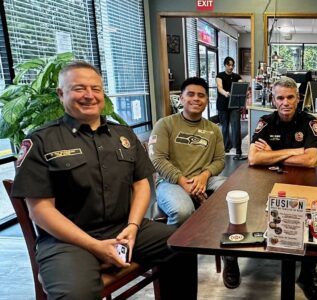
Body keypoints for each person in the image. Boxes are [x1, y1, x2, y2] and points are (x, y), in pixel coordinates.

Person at [11, 60, 191, 299]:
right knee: (76, 294)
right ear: (60, 93)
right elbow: (40, 210)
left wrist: (133, 226)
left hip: (124, 229)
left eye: (95, 89)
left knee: (183, 245)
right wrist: (94, 246)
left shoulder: (124, 135)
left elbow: (142, 184)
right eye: (79, 88)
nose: (89, 95)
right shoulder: (41, 141)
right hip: (67, 241)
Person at [148, 77, 238, 289]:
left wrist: (204, 176)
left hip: (203, 179)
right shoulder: (166, 124)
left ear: (207, 100)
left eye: (201, 95)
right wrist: (183, 182)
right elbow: (157, 159)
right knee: (182, 210)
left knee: (232, 197)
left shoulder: (213, 129)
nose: (196, 99)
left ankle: (229, 254)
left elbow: (219, 161)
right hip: (170, 182)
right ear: (181, 98)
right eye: (190, 94)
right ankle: (173, 260)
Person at [249, 76, 317, 299]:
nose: (285, 102)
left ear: (298, 98)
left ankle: (308, 272)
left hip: (302, 179)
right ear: (273, 100)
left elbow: (311, 160)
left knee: (310, 217)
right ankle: (233, 258)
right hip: (266, 180)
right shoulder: (265, 120)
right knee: (253, 213)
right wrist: (295, 151)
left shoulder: (310, 122)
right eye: (280, 97)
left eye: (290, 97)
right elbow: (253, 159)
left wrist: (271, 155)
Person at [216, 56, 246, 160]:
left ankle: (238, 148)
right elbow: (219, 87)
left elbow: (241, 86)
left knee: (236, 126)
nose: (231, 67)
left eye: (232, 65)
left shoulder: (237, 76)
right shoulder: (220, 75)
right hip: (223, 103)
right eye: (229, 65)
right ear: (225, 65)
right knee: (225, 127)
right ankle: (226, 147)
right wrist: (225, 93)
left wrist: (243, 89)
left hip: (234, 104)